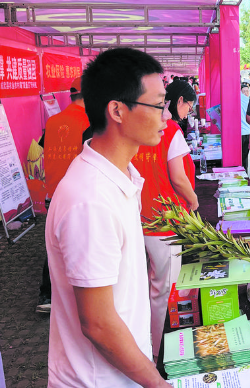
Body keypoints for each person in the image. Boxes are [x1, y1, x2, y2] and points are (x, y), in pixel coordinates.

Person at [45, 47, 170, 388]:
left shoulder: (118, 177)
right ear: (117, 110)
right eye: (159, 104)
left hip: (123, 372)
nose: (167, 116)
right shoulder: (91, 199)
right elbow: (98, 324)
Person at [133, 80, 197, 361]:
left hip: (137, 219)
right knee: (161, 291)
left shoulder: (135, 128)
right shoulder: (169, 131)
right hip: (165, 223)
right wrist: (193, 202)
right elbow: (179, 178)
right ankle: (153, 356)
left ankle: (140, 347)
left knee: (139, 288)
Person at [37, 76, 90, 314]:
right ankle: (77, 298)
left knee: (55, 246)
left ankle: (46, 296)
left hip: (53, 193)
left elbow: (41, 146)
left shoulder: (54, 121)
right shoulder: (90, 122)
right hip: (78, 193)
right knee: (80, 245)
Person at [240, 83, 250, 172]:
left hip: (246, 133)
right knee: (244, 159)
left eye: (247, 91)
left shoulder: (248, 100)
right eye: (244, 91)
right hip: (246, 133)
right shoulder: (248, 101)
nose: (246, 93)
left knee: (243, 159)